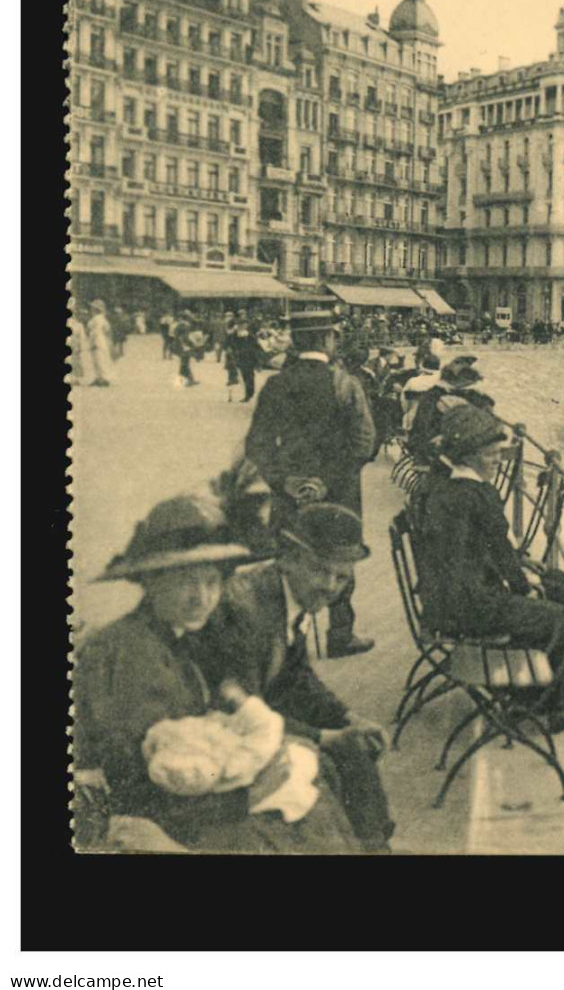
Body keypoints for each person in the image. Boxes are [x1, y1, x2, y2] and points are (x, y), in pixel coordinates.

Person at [73, 495, 360, 853]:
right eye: (185, 582)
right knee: (301, 814)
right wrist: (253, 788)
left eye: (211, 582)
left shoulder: (177, 637)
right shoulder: (126, 651)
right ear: (151, 581)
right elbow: (137, 779)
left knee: (313, 786)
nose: (201, 598)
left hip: (193, 796)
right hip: (157, 821)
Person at [190, 503, 395, 852]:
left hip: (250, 717)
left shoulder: (284, 594)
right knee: (330, 762)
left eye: (341, 577)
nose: (330, 586)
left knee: (356, 747)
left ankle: (373, 845)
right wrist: (322, 736)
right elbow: (236, 711)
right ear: (288, 559)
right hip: (212, 736)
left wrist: (347, 717)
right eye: (320, 570)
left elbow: (295, 676)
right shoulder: (247, 611)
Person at [415, 404, 564, 732]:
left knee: (554, 582)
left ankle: (556, 690)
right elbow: (503, 556)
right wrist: (524, 584)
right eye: (491, 454)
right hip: (469, 609)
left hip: (445, 602)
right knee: (558, 618)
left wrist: (527, 577)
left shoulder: (445, 488)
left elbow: (477, 552)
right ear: (468, 456)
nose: (498, 460)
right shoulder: (480, 495)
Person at [244, 308, 377, 659]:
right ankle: (340, 633)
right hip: (339, 492)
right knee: (340, 557)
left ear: (297, 341)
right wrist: (325, 482)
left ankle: (288, 638)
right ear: (325, 339)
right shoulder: (346, 384)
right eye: (333, 336)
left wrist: (286, 482)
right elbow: (364, 443)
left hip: (289, 495)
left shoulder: (276, 384)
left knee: (290, 557)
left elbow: (256, 445)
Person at [406, 357, 495, 466]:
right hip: (431, 448)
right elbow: (425, 428)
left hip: (437, 444)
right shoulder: (437, 397)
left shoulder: (440, 393)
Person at [87, 299, 114, 387]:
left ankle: (104, 378)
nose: (91, 309)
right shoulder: (101, 318)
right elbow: (107, 328)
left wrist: (92, 342)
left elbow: (96, 331)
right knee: (98, 359)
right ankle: (99, 377)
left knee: (99, 359)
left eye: (93, 308)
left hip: (97, 340)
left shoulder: (97, 319)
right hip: (101, 339)